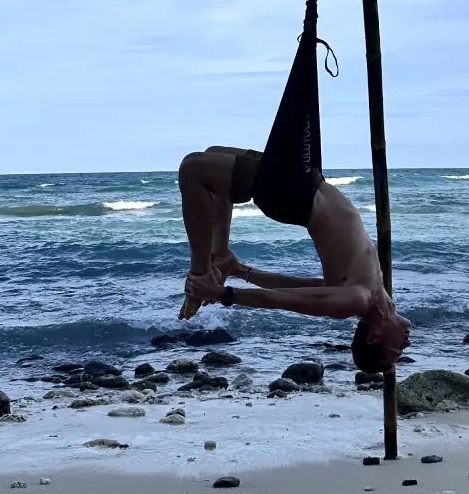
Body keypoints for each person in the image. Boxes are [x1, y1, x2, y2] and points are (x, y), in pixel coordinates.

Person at [176, 145, 411, 376]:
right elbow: (296, 286)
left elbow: (279, 299)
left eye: (396, 350)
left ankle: (200, 274)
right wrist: (242, 271)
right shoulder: (374, 293)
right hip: (308, 185)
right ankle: (223, 256)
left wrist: (223, 293)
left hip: (295, 194)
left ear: (374, 336)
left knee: (193, 169)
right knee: (213, 154)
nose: (406, 345)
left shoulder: (357, 301)